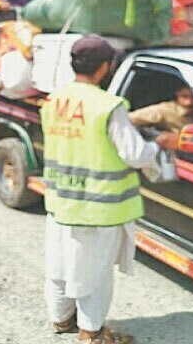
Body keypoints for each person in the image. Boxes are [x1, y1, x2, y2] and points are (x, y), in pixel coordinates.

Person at [40, 34, 178, 344]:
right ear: (106, 67)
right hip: (98, 207)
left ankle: (61, 320)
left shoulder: (54, 100)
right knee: (95, 273)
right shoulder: (108, 106)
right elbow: (134, 154)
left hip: (61, 199)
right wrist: (159, 144)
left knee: (60, 265)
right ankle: (91, 333)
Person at [127, 85, 193, 134]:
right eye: (184, 97)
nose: (188, 103)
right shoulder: (164, 110)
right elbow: (129, 118)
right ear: (177, 94)